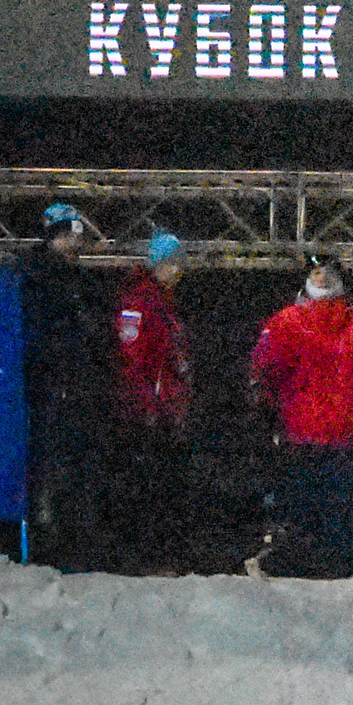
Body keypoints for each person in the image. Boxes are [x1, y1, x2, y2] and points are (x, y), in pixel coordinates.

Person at [246, 256, 353, 577]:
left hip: (347, 444)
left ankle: (336, 580)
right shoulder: (284, 323)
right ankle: (300, 579)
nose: (323, 279)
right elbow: (261, 375)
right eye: (316, 273)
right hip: (300, 441)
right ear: (306, 279)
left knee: (340, 520)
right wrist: (265, 418)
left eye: (329, 274)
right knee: (301, 518)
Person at [19, 201, 113, 568]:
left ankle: (75, 542)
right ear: (52, 237)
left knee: (77, 467)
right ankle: (46, 543)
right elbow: (35, 333)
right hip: (47, 389)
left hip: (76, 388)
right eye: (66, 236)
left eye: (76, 237)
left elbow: (92, 330)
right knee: (48, 468)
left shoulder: (78, 279)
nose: (74, 244)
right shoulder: (35, 275)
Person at [104, 232, 194, 573]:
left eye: (180, 266)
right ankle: (142, 559)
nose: (177, 272)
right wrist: (145, 407)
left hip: (163, 411)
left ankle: (157, 556)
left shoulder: (163, 302)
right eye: (172, 265)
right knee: (145, 488)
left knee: (162, 488)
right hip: (145, 415)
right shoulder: (139, 302)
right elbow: (134, 359)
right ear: (157, 265)